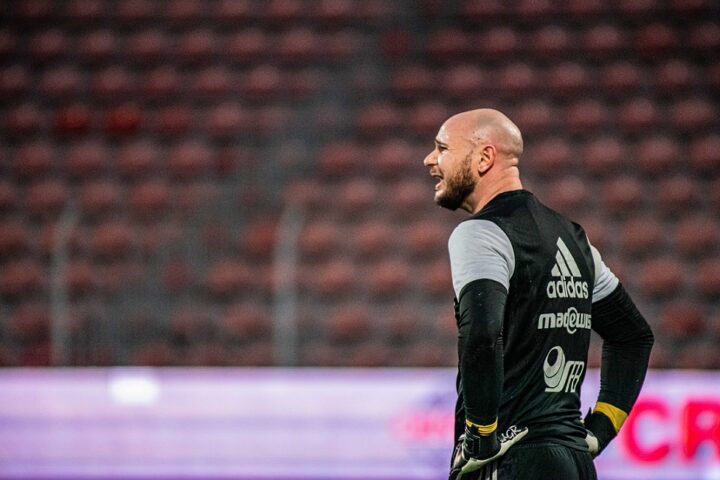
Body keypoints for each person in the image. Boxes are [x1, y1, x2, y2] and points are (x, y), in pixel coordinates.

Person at [423, 109, 654, 480]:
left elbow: (482, 334)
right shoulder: (574, 239)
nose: (430, 159)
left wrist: (481, 435)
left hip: (512, 459)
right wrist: (600, 429)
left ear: (484, 157)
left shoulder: (480, 233)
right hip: (574, 462)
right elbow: (633, 335)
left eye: (442, 148)